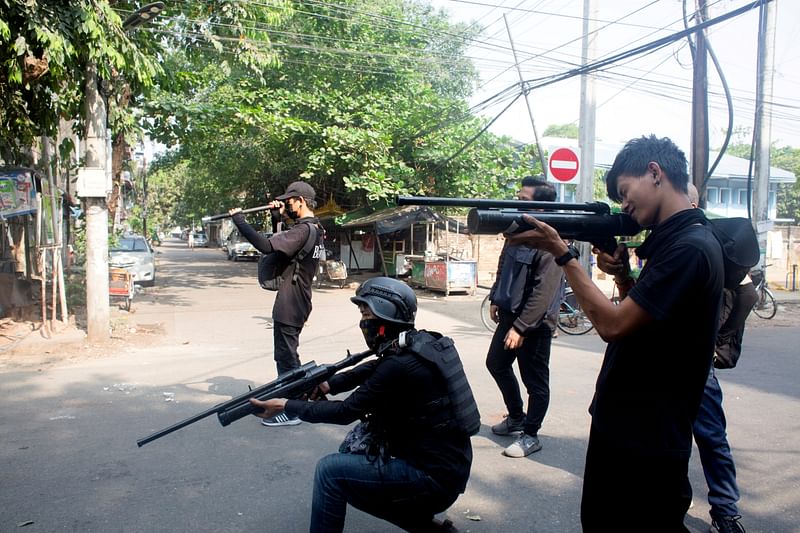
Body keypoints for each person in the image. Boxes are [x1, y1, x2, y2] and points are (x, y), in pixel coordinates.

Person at [508, 135, 725, 530]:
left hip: (646, 436)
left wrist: (563, 253)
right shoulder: (673, 242)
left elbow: (612, 325)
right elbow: (640, 319)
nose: (624, 205)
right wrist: (623, 275)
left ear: (655, 173)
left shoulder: (689, 247)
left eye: (625, 192)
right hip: (632, 426)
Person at [249, 277, 477, 532]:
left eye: (366, 313)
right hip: (447, 468)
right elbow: (369, 369)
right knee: (349, 463)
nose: (363, 322)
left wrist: (286, 405)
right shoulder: (418, 344)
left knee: (330, 471)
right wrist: (327, 384)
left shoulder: (399, 364)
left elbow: (345, 411)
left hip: (432, 478)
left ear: (384, 316)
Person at [684, 183, 757, 533]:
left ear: (692, 201)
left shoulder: (714, 239)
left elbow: (747, 291)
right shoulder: (669, 236)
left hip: (697, 364)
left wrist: (720, 339)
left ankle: (726, 511)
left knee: (711, 436)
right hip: (661, 359)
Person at [229, 180, 323, 427]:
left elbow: (266, 245)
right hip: (298, 299)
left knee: (287, 360)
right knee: (289, 357)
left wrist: (240, 221)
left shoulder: (303, 230)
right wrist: (275, 218)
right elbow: (282, 248)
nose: (286, 205)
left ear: (300, 202)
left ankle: (292, 411)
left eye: (289, 202)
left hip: (291, 303)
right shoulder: (314, 228)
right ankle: (298, 399)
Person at [485, 176, 563, 458]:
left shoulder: (552, 240)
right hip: (510, 314)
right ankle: (516, 416)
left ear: (542, 207)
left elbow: (545, 291)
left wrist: (520, 327)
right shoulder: (518, 231)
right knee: (496, 363)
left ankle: (531, 434)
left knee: (535, 381)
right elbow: (504, 265)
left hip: (535, 324)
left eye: (524, 201)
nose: (516, 204)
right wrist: (496, 297)